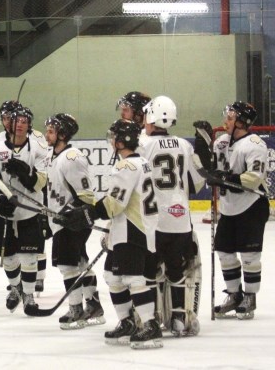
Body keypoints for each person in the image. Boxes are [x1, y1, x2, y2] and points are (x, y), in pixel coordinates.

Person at [60, 119, 161, 349]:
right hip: (125, 230)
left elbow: (115, 203)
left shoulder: (126, 167)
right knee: (112, 277)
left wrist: (87, 214)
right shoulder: (142, 162)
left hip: (133, 231)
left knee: (134, 279)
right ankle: (127, 322)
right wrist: (103, 225)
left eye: (114, 136)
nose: (111, 140)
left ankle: (150, 325)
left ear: (121, 141)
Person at [196, 101, 268, 320]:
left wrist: (226, 179)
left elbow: (253, 179)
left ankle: (250, 297)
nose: (225, 121)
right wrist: (203, 146)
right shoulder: (221, 142)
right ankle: (234, 295)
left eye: (230, 118)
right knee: (225, 252)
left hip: (252, 206)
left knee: (249, 255)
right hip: (229, 208)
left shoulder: (255, 144)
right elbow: (212, 170)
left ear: (241, 122)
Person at [139, 96, 203, 335]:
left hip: (154, 221)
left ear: (152, 117)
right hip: (181, 220)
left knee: (150, 272)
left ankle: (152, 317)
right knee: (176, 271)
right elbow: (196, 184)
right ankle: (178, 318)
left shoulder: (143, 145)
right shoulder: (184, 145)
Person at [0, 105, 49, 316]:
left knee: (29, 256)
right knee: (9, 257)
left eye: (24, 121)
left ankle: (29, 296)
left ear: (30, 125)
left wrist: (25, 174)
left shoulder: (39, 147)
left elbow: (41, 182)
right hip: (6, 211)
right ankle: (15, 287)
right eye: (15, 121)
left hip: (30, 209)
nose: (19, 125)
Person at [43, 113, 104, 330]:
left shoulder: (72, 157)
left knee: (67, 266)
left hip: (72, 221)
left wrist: (73, 213)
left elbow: (86, 194)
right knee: (80, 263)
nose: (46, 135)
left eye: (51, 131)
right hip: (60, 219)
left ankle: (76, 309)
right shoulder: (53, 156)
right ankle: (94, 306)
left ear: (63, 134)